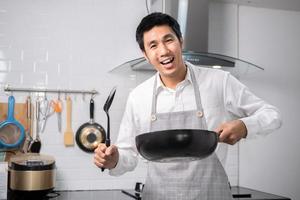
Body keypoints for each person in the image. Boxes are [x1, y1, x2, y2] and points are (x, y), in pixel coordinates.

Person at [94, 12, 282, 200]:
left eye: (169, 40)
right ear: (145, 54)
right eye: (153, 45)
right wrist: (114, 159)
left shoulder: (219, 82)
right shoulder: (138, 97)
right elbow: (128, 154)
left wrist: (244, 126)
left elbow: (272, 115)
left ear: (181, 41)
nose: (164, 51)